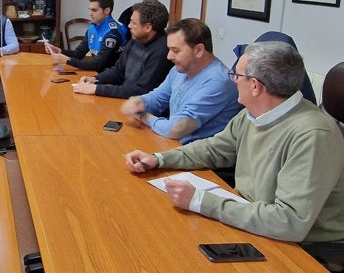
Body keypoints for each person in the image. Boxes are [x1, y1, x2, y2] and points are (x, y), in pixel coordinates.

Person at [123, 41, 344, 251]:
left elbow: (289, 221)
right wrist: (159, 159)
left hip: (301, 251)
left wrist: (201, 201)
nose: (233, 80)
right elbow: (213, 149)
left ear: (255, 86)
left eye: (236, 75)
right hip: (252, 222)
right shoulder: (252, 114)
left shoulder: (312, 135)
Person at [120, 18, 241, 144]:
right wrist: (139, 102)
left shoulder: (218, 82)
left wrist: (143, 116)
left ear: (199, 50)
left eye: (175, 50)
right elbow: (158, 98)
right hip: (173, 145)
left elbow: (176, 129)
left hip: (199, 157)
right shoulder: (180, 70)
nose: (169, 56)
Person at [72, 0, 173, 98]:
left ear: (147, 27)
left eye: (133, 23)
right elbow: (118, 72)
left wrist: (96, 89)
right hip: (126, 99)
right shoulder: (135, 40)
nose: (129, 26)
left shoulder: (162, 52)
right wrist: (94, 79)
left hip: (142, 108)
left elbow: (141, 90)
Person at [45, 0, 128, 72]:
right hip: (97, 74)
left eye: (94, 10)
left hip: (110, 78)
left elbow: (97, 64)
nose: (90, 14)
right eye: (90, 9)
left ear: (107, 11)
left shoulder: (112, 33)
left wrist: (67, 60)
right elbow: (79, 54)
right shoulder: (92, 27)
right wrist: (59, 51)